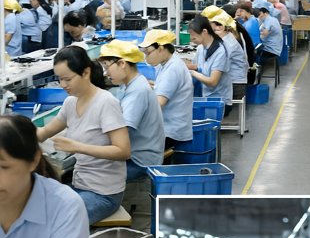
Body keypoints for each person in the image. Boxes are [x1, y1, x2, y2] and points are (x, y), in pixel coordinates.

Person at [37, 46, 131, 224]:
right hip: (80, 185)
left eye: (67, 79)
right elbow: (44, 132)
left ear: (86, 72)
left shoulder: (106, 103)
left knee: (55, 221)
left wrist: (77, 147)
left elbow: (123, 151)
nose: (63, 85)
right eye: (59, 79)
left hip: (104, 194)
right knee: (38, 208)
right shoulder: (70, 103)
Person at [98, 40, 165, 181]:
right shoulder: (129, 84)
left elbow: (124, 131)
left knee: (92, 176)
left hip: (140, 161)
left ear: (122, 64)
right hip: (139, 153)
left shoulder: (137, 91)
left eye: (107, 66)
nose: (105, 73)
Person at [139, 30, 194, 150]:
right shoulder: (166, 63)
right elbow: (165, 87)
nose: (145, 57)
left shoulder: (172, 69)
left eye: (148, 53)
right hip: (171, 125)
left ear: (161, 48)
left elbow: (158, 104)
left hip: (171, 131)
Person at [185, 16, 233, 117]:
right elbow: (204, 67)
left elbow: (212, 82)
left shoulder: (221, 51)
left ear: (205, 31)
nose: (191, 39)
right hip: (205, 95)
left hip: (218, 101)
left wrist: (192, 72)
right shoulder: (202, 47)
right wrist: (188, 67)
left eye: (193, 36)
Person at [209, 12, 248, 101]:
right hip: (233, 81)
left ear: (221, 27)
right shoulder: (226, 38)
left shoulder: (228, 43)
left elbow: (217, 62)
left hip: (235, 84)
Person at [256, 6, 283, 81]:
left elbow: (265, 33)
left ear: (266, 13)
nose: (259, 16)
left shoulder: (268, 20)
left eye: (260, 14)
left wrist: (256, 34)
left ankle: (256, 77)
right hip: (274, 47)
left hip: (271, 50)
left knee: (254, 55)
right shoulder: (272, 19)